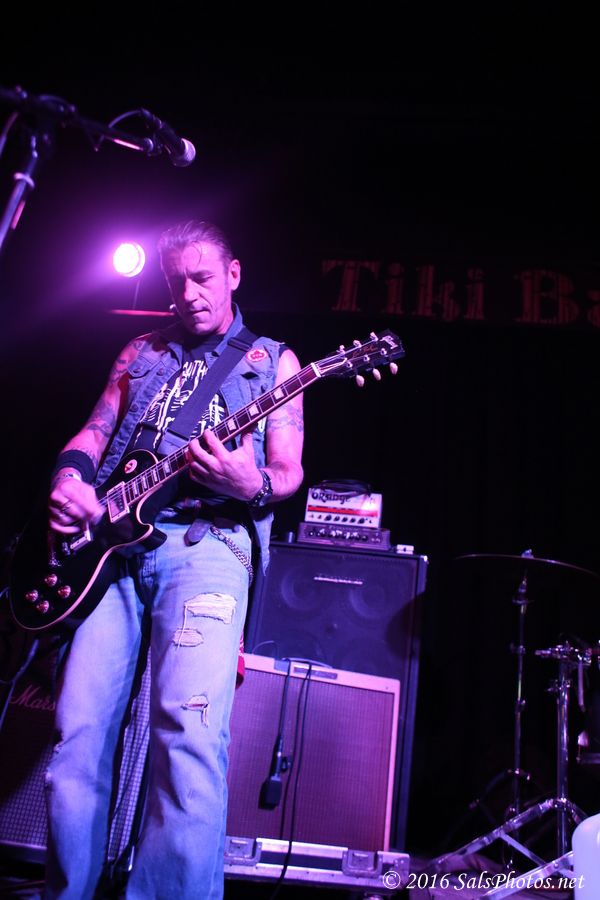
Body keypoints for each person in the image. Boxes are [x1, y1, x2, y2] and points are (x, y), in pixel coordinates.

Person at [43, 220, 304, 899]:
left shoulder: (273, 363)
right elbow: (95, 430)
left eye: (203, 278)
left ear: (234, 274)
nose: (188, 294)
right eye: (176, 281)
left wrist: (249, 483)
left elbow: (287, 472)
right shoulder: (141, 351)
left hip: (207, 547)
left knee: (187, 735)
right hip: (110, 554)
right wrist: (70, 479)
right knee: (76, 736)